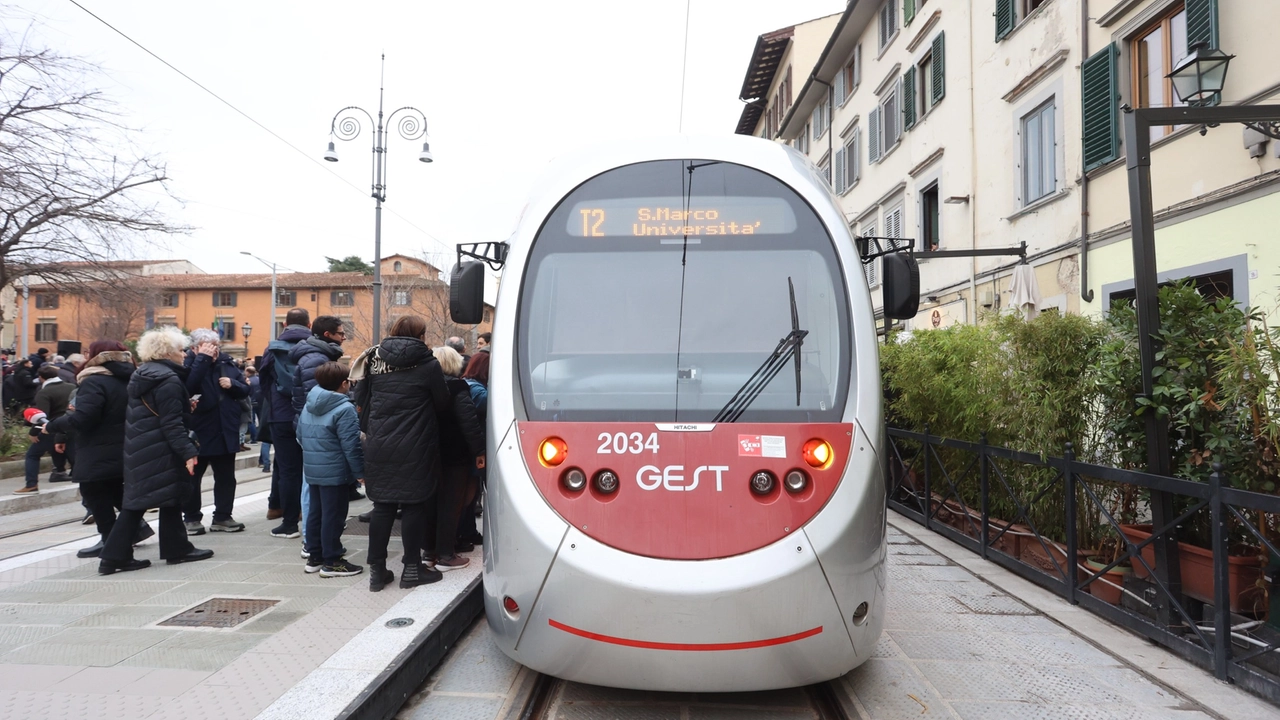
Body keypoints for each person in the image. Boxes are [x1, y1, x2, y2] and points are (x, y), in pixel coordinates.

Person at [99, 327, 212, 574]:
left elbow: (158, 413)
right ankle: (113, 556)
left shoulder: (144, 374)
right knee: (140, 503)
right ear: (168, 352)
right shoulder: (168, 380)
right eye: (181, 350)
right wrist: (187, 451)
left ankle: (176, 548)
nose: (184, 355)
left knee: (165, 496)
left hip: (142, 446)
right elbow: (170, 422)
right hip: (160, 447)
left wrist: (183, 408)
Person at [351, 315, 451, 591]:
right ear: (420, 335)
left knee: (382, 506)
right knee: (413, 505)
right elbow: (442, 403)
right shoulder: (428, 363)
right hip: (416, 443)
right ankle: (411, 568)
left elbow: (361, 399)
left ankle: (377, 571)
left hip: (380, 442)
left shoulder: (373, 360)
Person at [44, 340, 153, 558]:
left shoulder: (94, 381)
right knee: (114, 490)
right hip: (126, 444)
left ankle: (110, 540)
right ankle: (133, 531)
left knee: (93, 492)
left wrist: (52, 426)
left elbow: (84, 417)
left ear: (94, 356)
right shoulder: (133, 378)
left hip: (97, 447)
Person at [289, 315, 349, 555]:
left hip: (311, 427)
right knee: (317, 495)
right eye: (341, 333)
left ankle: (314, 546)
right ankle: (317, 547)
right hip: (320, 430)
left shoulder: (316, 355)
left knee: (313, 491)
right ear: (328, 335)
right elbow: (317, 398)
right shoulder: (317, 358)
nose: (344, 337)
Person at [298, 361, 364, 578]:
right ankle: (332, 561)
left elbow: (299, 435)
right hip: (335, 470)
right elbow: (351, 444)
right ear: (344, 383)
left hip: (313, 468)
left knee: (316, 513)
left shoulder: (309, 403)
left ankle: (315, 557)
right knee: (334, 516)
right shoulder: (344, 408)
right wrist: (360, 472)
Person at [181, 329, 250, 534]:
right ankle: (191, 518)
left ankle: (222, 517)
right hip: (199, 430)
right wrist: (202, 359)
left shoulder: (227, 364)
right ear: (195, 348)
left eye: (216, 346)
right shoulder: (187, 364)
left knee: (226, 477)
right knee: (193, 477)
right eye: (208, 346)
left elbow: (246, 390)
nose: (214, 351)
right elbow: (188, 387)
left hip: (225, 428)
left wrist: (233, 384)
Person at [425, 346, 484, 572]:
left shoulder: (425, 386)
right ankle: (447, 555)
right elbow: (468, 422)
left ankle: (429, 552)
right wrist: (479, 451)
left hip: (428, 452)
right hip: (455, 454)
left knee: (430, 504)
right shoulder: (458, 386)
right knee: (451, 505)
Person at [258, 308, 310, 533]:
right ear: (309, 325)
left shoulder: (272, 349)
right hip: (309, 416)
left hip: (280, 416)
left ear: (284, 325)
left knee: (288, 470)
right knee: (312, 468)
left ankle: (289, 523)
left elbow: (263, 382)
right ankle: (313, 519)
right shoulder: (314, 347)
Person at [13, 365, 73, 494]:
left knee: (32, 455)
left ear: (40, 377)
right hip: (71, 425)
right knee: (60, 450)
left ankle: (31, 484)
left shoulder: (44, 392)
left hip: (51, 428)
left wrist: (34, 432)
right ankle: (59, 472)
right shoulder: (71, 387)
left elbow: (40, 415)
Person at [458, 350, 490, 548]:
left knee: (470, 494)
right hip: (473, 449)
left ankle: (468, 531)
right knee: (468, 494)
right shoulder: (479, 391)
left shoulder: (469, 385)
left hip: (468, 448)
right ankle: (463, 533)